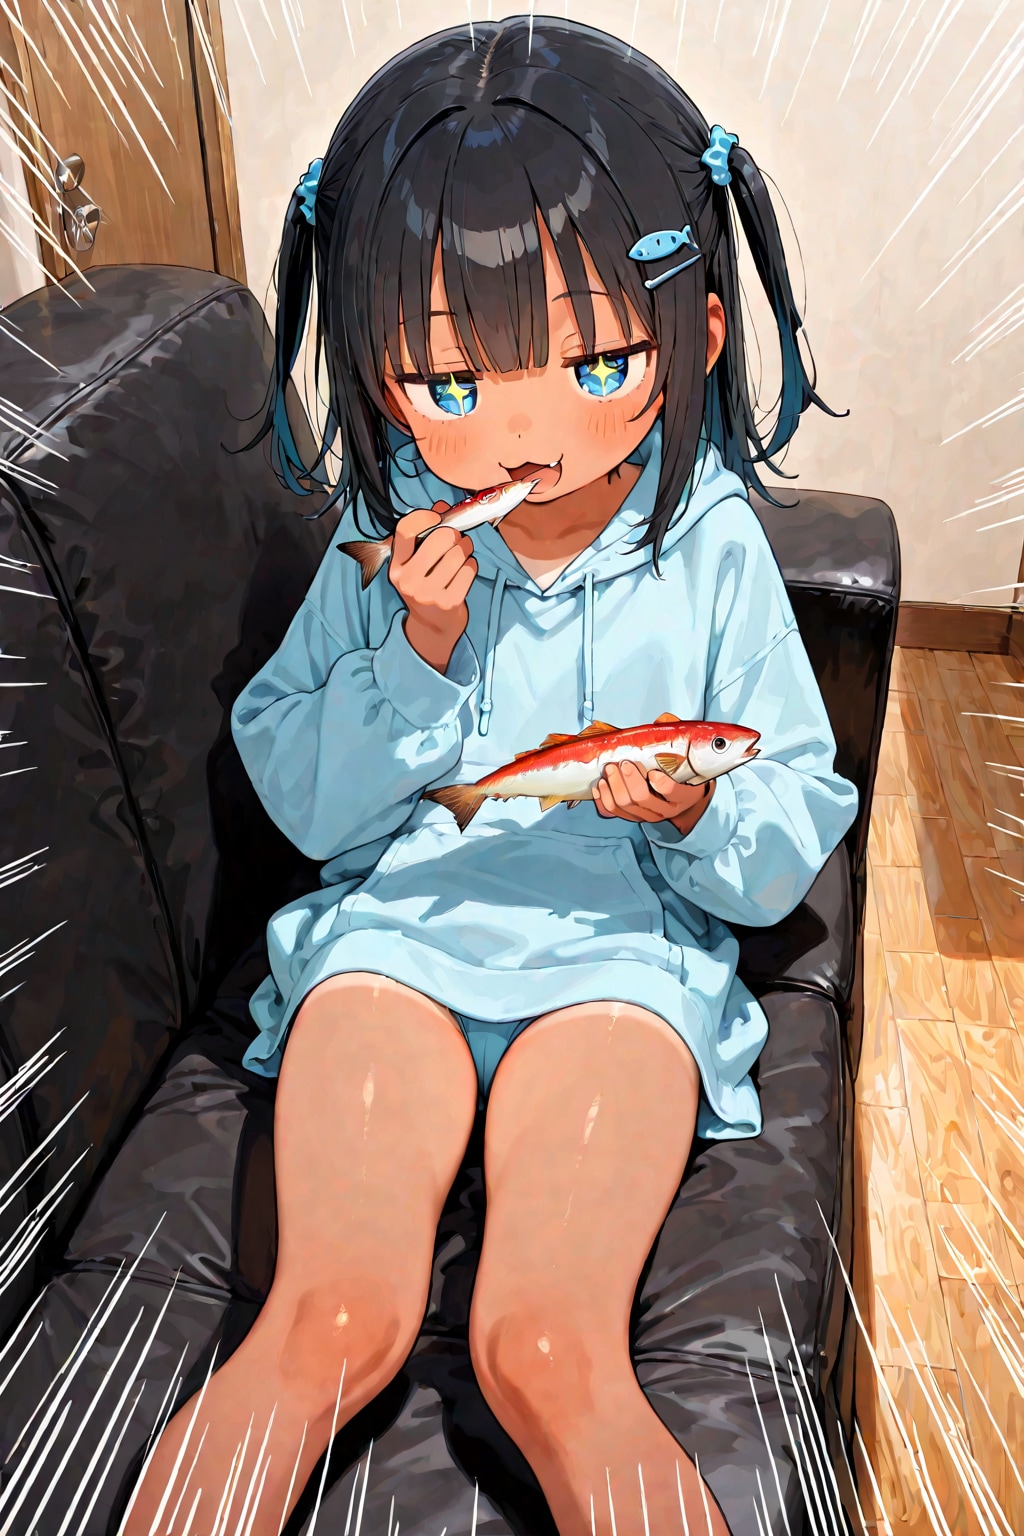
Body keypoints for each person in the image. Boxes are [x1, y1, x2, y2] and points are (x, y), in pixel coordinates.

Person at [123, 16, 857, 1536]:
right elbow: (303, 802)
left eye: (598, 360)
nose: (528, 428)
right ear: (380, 375)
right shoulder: (383, 541)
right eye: (456, 381)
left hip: (622, 967)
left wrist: (702, 811)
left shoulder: (714, 546)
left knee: (550, 1347)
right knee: (324, 1321)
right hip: (395, 942)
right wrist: (417, 653)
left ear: (698, 334)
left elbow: (791, 813)